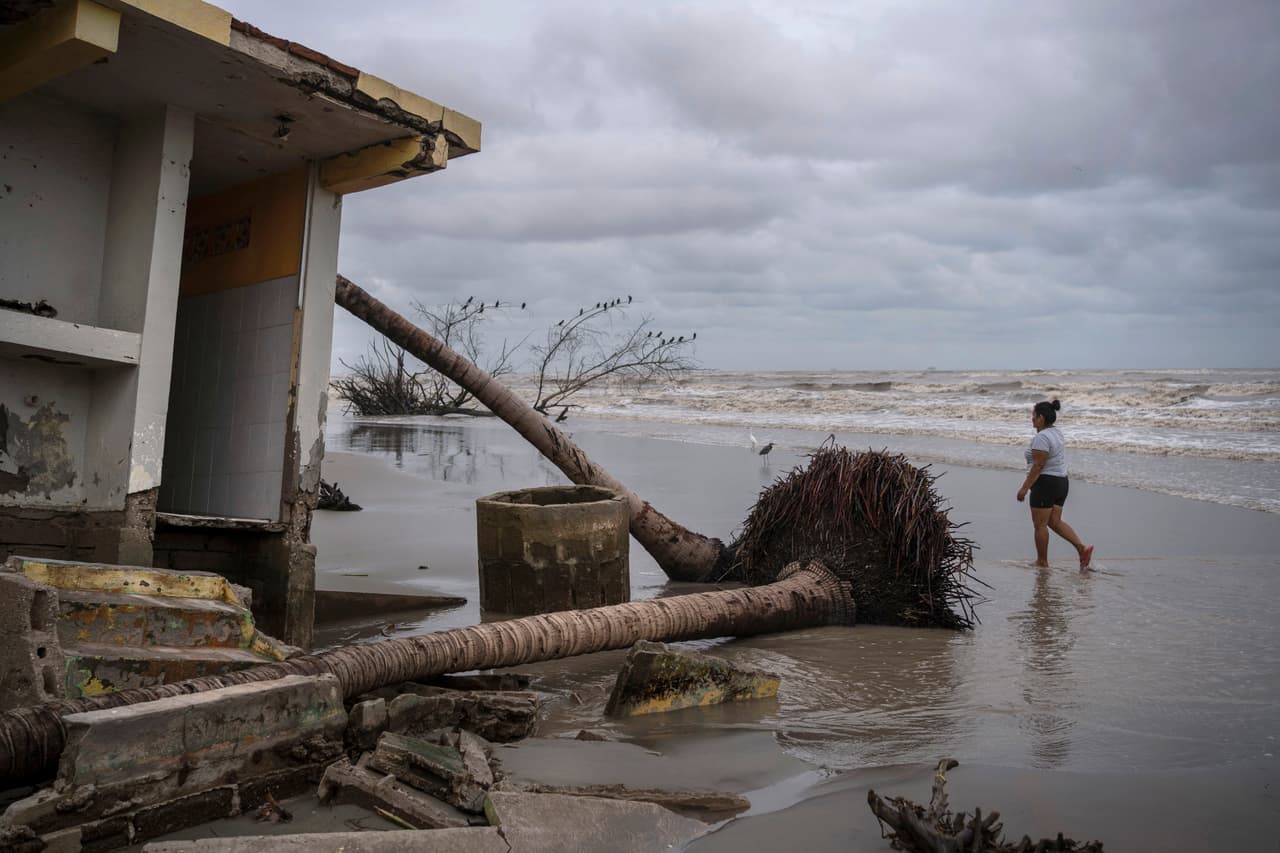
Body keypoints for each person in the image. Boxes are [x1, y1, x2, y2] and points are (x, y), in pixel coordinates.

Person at [1016, 399, 1094, 570]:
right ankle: (1082, 549)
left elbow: (1038, 466)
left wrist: (1024, 488)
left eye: (1034, 416)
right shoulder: (1056, 432)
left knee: (1040, 525)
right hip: (1061, 482)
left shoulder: (1041, 438)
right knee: (1055, 521)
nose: (1032, 419)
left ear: (1041, 418)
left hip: (1045, 483)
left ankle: (1042, 561)